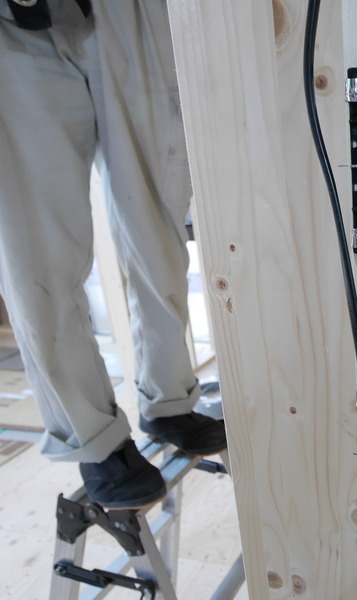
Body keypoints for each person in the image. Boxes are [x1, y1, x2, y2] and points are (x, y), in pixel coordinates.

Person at [0, 0, 226, 509]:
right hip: (8, 30)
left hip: (122, 11)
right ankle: (94, 438)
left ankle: (168, 398)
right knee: (33, 250)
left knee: (156, 223)